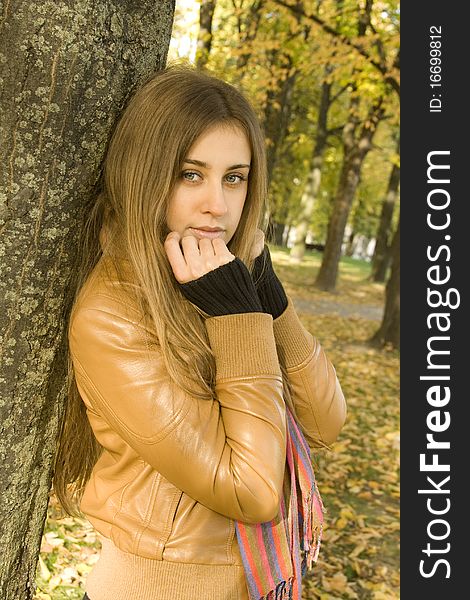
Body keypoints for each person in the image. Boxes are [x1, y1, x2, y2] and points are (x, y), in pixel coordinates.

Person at [53, 64, 346, 600]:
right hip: (160, 587)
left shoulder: (223, 281)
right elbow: (254, 490)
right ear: (146, 175)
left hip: (256, 579)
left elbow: (326, 419)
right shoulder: (113, 315)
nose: (219, 203)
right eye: (191, 174)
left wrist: (267, 297)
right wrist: (237, 321)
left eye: (234, 177)